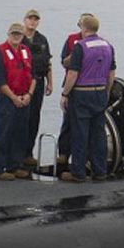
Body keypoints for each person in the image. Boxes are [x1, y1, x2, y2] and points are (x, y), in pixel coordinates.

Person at [59, 13, 116, 183]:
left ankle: (78, 172)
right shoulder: (108, 46)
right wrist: (106, 90)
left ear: (84, 28)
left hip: (82, 93)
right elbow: (111, 73)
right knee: (98, 134)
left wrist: (65, 94)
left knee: (80, 133)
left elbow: (72, 73)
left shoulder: (81, 47)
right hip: (100, 92)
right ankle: (100, 171)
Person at [0, 22, 35, 181]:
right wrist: (14, 98)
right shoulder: (0, 52)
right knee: (4, 133)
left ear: (23, 36)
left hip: (24, 98)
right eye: (13, 34)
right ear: (8, 34)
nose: (16, 37)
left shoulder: (26, 51)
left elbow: (33, 75)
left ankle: (14, 165)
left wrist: (29, 95)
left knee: (20, 133)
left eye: (19, 34)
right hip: (7, 99)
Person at [20, 10, 52, 169]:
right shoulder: (19, 38)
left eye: (35, 19)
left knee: (34, 119)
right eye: (30, 19)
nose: (33, 22)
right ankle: (17, 154)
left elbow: (48, 63)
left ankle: (28, 153)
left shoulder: (42, 39)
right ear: (24, 20)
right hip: (22, 85)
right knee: (21, 119)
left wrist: (50, 82)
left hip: (38, 82)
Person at [54, 16, 84, 168]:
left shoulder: (98, 43)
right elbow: (63, 61)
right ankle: (63, 154)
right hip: (71, 86)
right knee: (68, 122)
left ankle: (82, 159)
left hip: (85, 87)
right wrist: (75, 56)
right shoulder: (71, 39)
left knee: (84, 125)